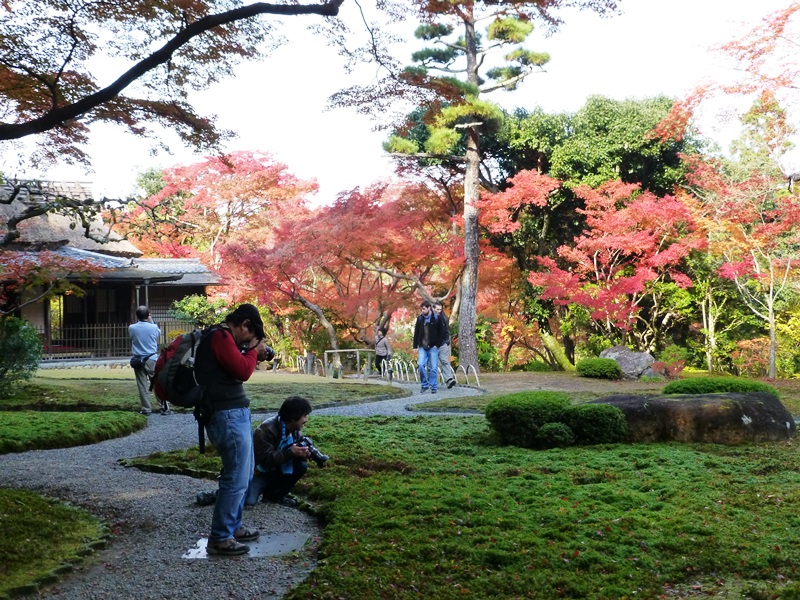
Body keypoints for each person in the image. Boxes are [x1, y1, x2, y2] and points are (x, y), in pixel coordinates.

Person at [195, 303, 270, 556]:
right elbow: (243, 370)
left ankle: (233, 527)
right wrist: (251, 351)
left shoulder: (224, 338)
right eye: (250, 336)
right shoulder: (220, 336)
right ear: (244, 324)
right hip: (225, 414)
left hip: (234, 413)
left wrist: (249, 350)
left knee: (245, 473)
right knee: (236, 476)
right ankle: (220, 537)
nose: (250, 343)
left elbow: (236, 366)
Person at [245, 396, 315, 508]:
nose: (306, 420)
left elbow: (291, 456)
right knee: (248, 501)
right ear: (293, 417)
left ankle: (273, 496)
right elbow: (265, 460)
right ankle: (219, 494)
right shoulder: (265, 430)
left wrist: (302, 454)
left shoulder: (293, 431)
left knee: (301, 466)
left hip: (277, 469)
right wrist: (290, 453)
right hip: (259, 472)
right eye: (304, 416)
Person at [128, 306, 170, 415]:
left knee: (142, 385)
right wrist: (151, 322)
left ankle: (146, 409)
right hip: (151, 359)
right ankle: (164, 407)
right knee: (157, 384)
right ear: (148, 315)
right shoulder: (153, 327)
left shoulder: (132, 328)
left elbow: (132, 338)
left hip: (138, 360)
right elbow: (157, 334)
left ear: (137, 316)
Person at [412, 299, 447, 394]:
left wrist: (437, 344)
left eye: (424, 309)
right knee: (420, 365)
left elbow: (442, 332)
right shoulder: (420, 319)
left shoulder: (436, 318)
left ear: (428, 308)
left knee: (434, 368)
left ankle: (433, 386)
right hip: (422, 346)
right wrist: (415, 346)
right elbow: (416, 332)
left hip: (433, 347)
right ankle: (424, 384)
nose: (422, 311)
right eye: (422, 309)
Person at [433, 301, 457, 389]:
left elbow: (447, 330)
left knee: (445, 361)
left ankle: (449, 379)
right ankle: (432, 382)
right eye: (437, 309)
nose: (439, 311)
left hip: (442, 344)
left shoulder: (444, 318)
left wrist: (447, 341)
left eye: (440, 309)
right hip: (432, 345)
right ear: (433, 308)